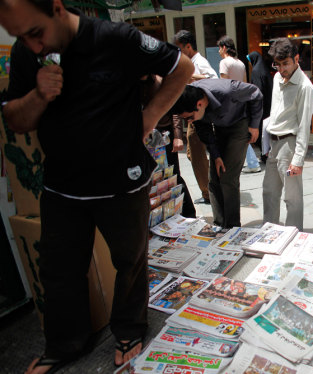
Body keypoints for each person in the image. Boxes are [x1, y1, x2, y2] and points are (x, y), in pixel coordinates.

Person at [0, 0, 193, 372]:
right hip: (62, 186)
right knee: (58, 270)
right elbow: (15, 120)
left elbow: (181, 69)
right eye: (22, 36)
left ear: (56, 8)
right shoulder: (29, 53)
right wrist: (39, 95)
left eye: (36, 32)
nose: (34, 45)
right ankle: (64, 344)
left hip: (123, 182)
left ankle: (129, 330)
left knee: (130, 261)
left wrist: (149, 118)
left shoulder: (114, 37)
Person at [172, 79, 263, 229]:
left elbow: (256, 93)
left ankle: (232, 226)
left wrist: (254, 125)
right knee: (214, 178)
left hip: (239, 126)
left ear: (199, 105)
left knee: (228, 177)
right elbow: (203, 130)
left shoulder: (227, 90)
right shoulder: (194, 103)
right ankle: (219, 224)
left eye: (189, 118)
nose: (188, 122)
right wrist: (216, 156)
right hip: (220, 129)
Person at [261, 37, 313, 231]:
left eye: (286, 63)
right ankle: (269, 232)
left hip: (290, 145)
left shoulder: (305, 88)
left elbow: (304, 126)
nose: (282, 69)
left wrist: (298, 159)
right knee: (269, 191)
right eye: (278, 64)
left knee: (292, 197)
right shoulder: (277, 78)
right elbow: (275, 111)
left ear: (296, 59)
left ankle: (294, 235)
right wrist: (267, 143)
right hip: (274, 143)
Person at [141, 74, 196, 218]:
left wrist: (178, 136)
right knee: (151, 179)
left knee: (172, 175)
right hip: (144, 135)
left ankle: (188, 213)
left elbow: (174, 110)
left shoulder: (160, 80)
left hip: (164, 134)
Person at [173, 30, 217, 205]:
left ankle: (208, 193)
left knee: (196, 152)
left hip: (197, 114)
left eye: (180, 49)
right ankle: (208, 188)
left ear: (188, 46)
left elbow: (213, 78)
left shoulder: (199, 62)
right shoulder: (192, 62)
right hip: (193, 113)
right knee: (192, 154)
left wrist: (190, 76)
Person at [217, 35, 260, 174]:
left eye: (219, 48)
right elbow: (245, 84)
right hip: (241, 103)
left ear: (224, 48)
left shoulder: (225, 63)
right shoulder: (240, 63)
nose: (218, 51)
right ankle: (252, 162)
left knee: (232, 136)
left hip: (229, 105)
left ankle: (245, 163)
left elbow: (224, 86)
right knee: (241, 134)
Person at [247, 51, 273, 160]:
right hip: (268, 105)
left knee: (261, 132)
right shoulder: (264, 69)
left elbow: (257, 91)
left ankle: (265, 154)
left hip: (261, 107)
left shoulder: (256, 71)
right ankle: (267, 153)